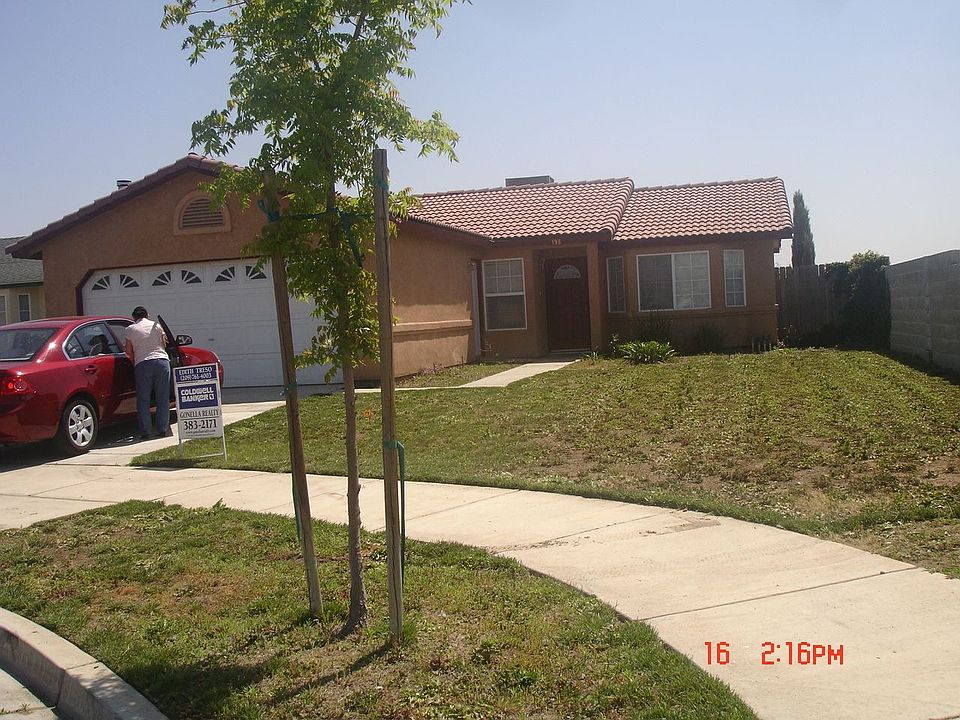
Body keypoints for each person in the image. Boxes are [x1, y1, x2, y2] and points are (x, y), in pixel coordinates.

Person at [124, 306, 172, 440]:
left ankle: (146, 431)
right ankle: (162, 429)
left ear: (134, 317)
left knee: (143, 399)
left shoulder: (130, 329)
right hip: (162, 362)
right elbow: (164, 344)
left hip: (143, 364)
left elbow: (128, 351)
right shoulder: (156, 326)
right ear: (147, 315)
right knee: (162, 397)